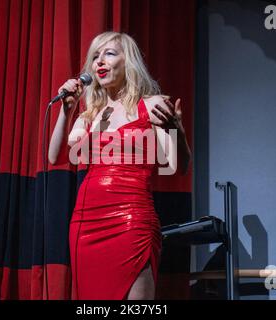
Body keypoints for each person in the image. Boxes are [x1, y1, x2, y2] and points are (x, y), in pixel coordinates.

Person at [48, 31, 191, 300]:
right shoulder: (89, 115)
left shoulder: (153, 106)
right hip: (86, 223)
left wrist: (177, 133)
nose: (99, 62)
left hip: (132, 220)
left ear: (129, 62)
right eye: (95, 57)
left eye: (109, 53)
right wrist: (66, 111)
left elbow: (178, 165)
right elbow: (55, 157)